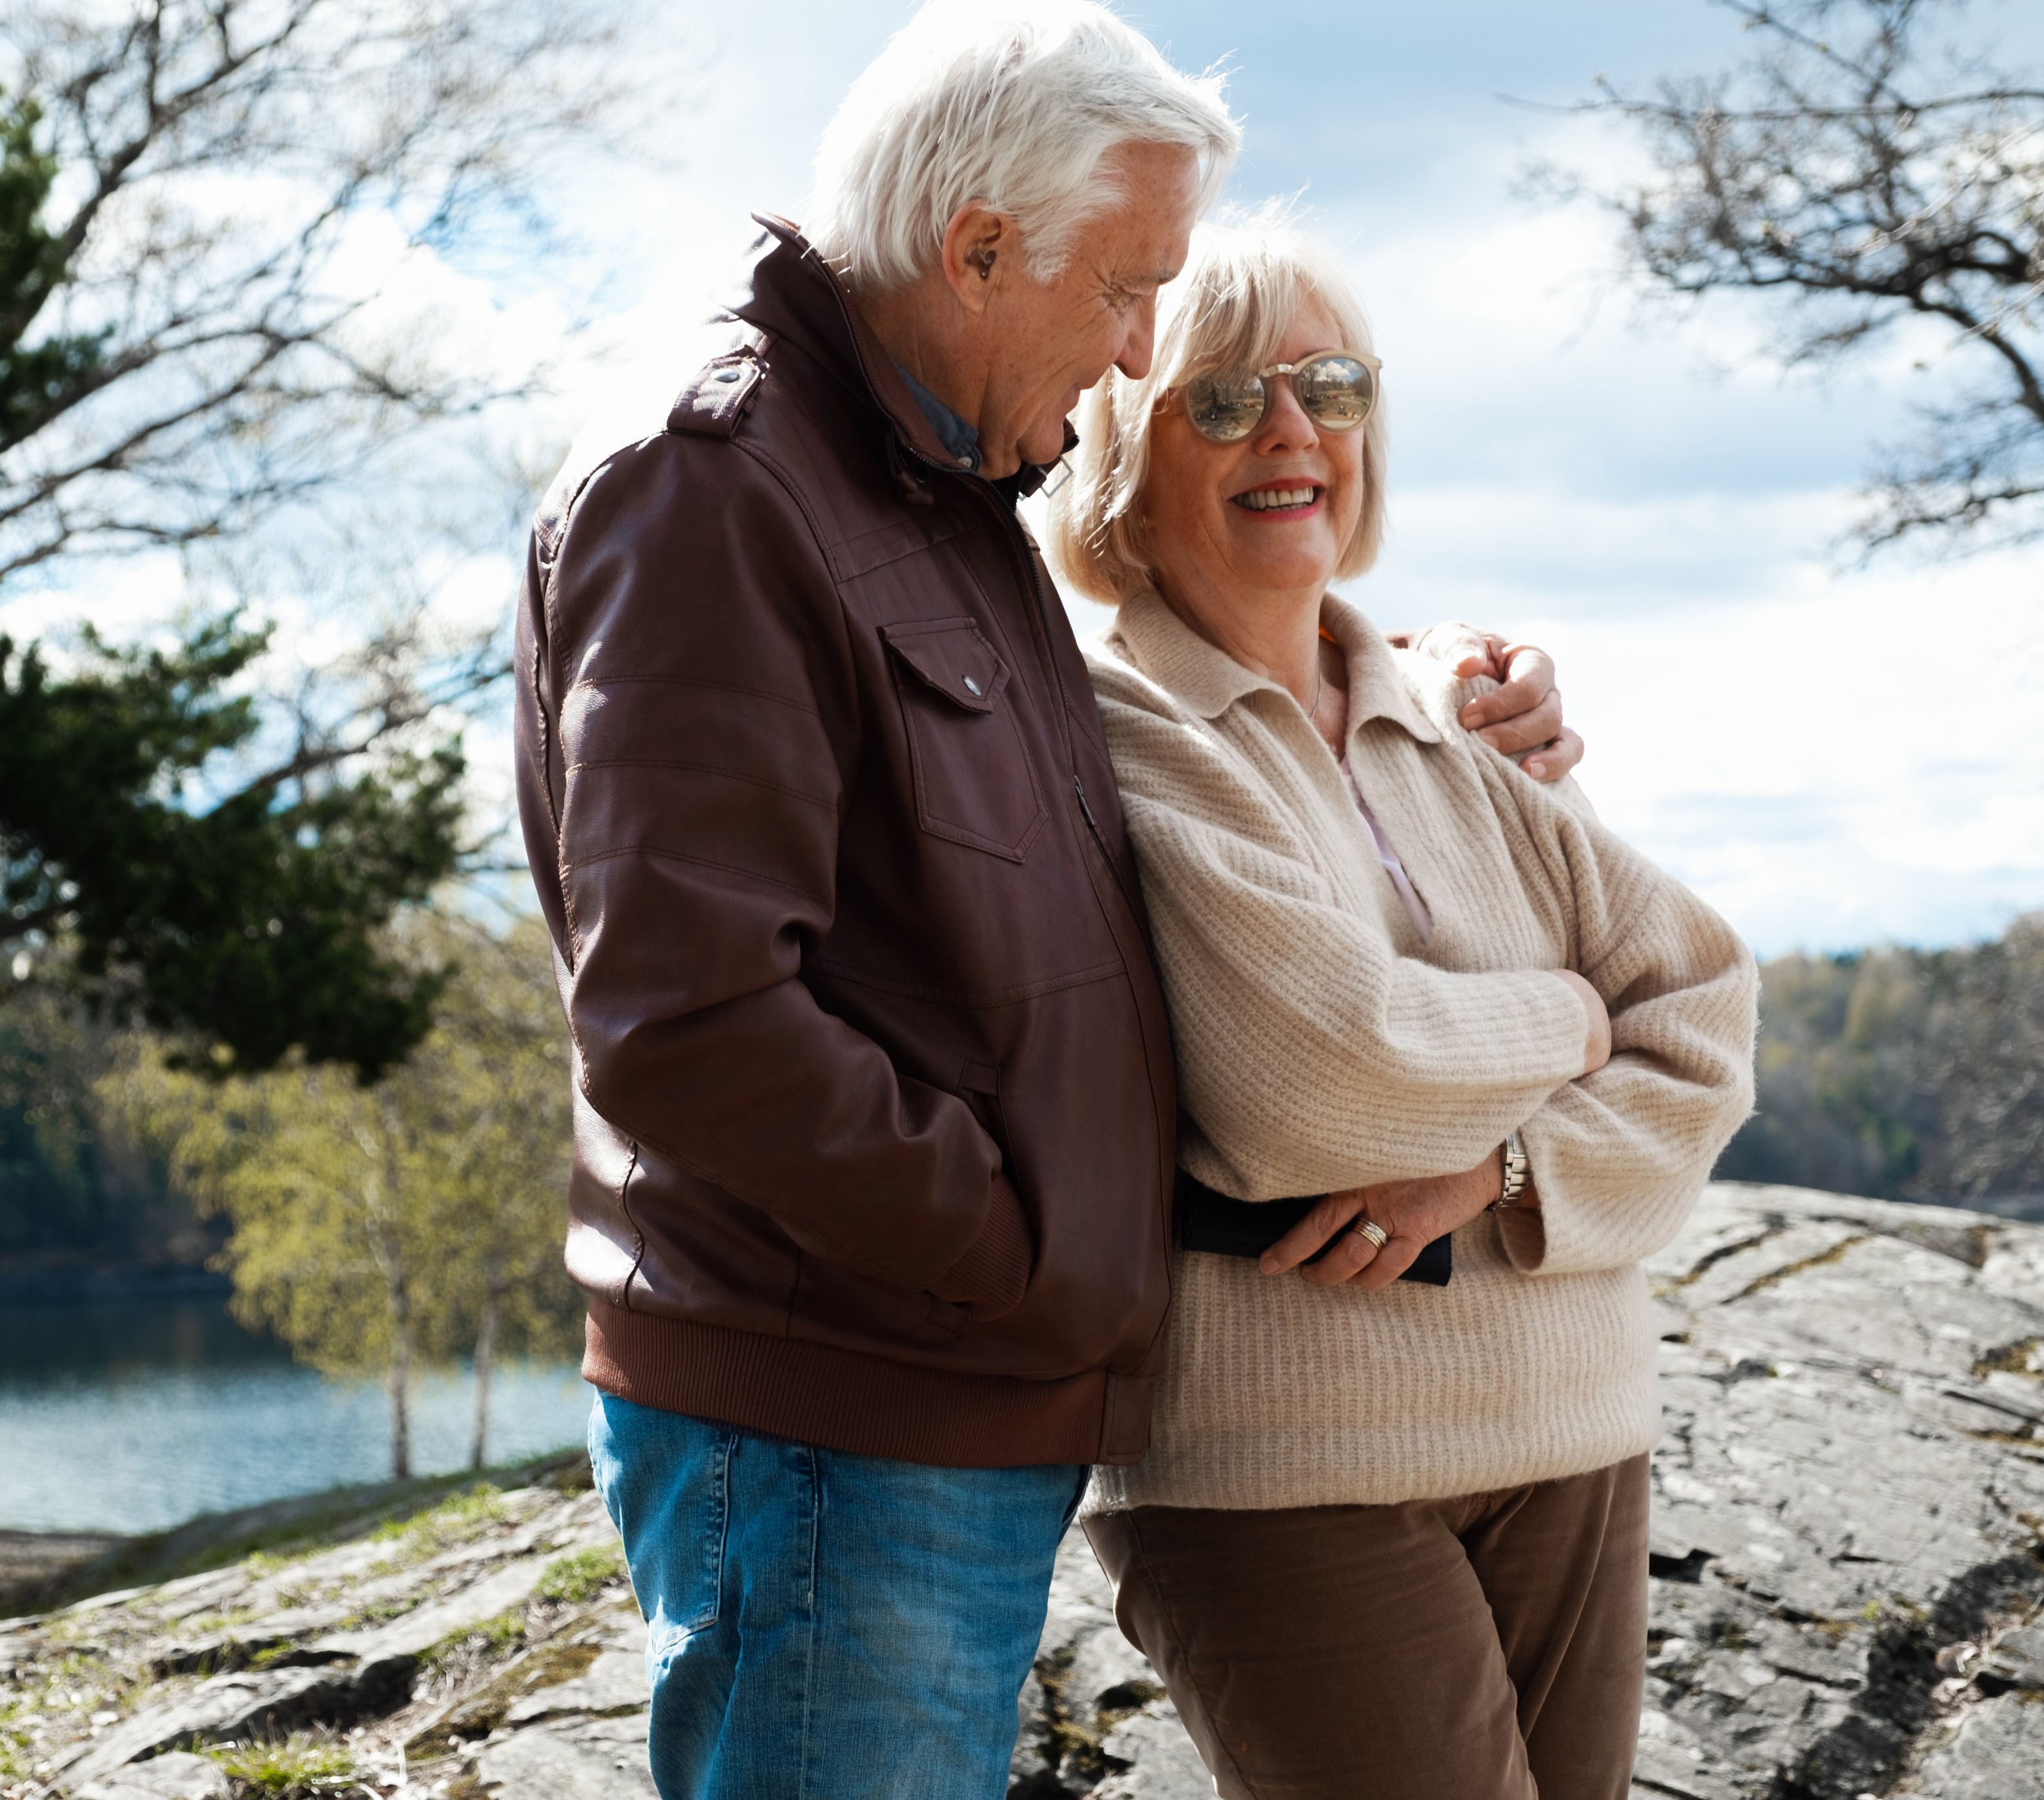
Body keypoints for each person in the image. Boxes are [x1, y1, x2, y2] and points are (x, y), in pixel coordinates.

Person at [514, 5, 1581, 1795]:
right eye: (1125, 292)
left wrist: (1404, 682)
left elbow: (1081, 789)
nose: (1138, 353)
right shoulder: (714, 481)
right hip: (838, 1412)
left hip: (935, 1395)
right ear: (978, 249)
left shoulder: (930, 484)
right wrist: (1020, 1252)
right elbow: (691, 1026)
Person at [1046, 216, 1757, 1800]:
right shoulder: (1107, 720)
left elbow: (1700, 1009)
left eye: (1329, 383)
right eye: (1219, 399)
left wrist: (1501, 1172)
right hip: (1286, 1471)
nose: (1290, 428)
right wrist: (1573, 1018)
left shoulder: (1453, 710)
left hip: (1573, 1422)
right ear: (1116, 454)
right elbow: (1320, 1078)